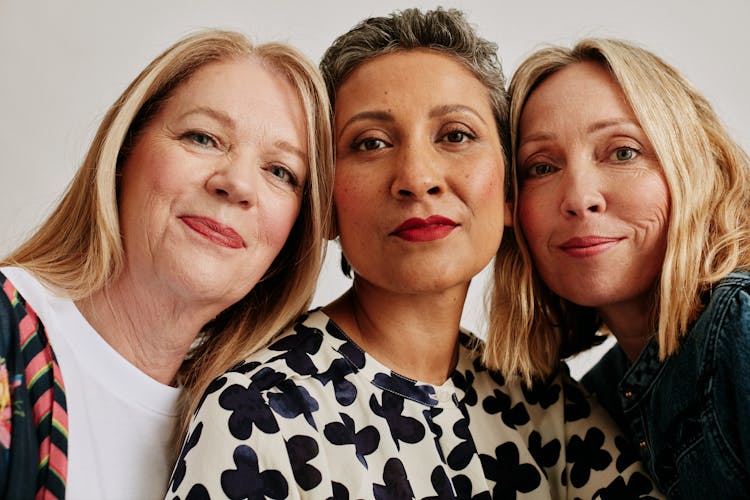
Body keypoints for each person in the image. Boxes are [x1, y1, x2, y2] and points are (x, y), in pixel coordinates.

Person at [168, 10, 661, 499]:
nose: (417, 178)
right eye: (371, 143)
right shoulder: (259, 413)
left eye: (455, 135)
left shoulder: (545, 401)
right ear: (327, 205)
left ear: (510, 190)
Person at [0, 29, 333, 499]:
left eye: (280, 171)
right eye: (204, 138)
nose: (237, 183)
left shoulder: (256, 433)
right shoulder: (6, 331)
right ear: (124, 152)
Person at [490, 37, 750, 498]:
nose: (579, 198)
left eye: (623, 152)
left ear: (693, 165)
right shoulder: (592, 402)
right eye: (542, 167)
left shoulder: (740, 323)